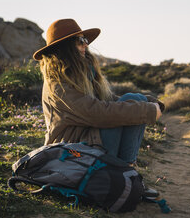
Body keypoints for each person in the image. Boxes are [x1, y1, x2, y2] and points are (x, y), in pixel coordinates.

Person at [33, 19, 163, 168]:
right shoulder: (57, 84)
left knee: (134, 99)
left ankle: (126, 172)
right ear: (65, 47)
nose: (85, 45)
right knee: (119, 113)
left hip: (89, 139)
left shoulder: (81, 75)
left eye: (85, 40)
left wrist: (147, 101)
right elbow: (96, 113)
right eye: (80, 40)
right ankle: (125, 171)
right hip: (70, 151)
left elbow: (108, 100)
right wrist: (148, 110)